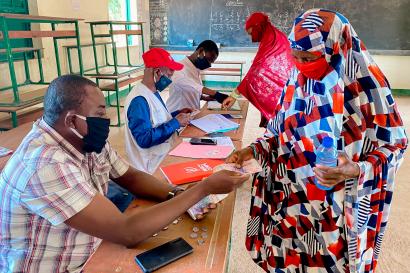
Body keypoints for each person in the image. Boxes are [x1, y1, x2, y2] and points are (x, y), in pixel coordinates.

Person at [0, 75, 250, 273]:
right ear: (70, 120)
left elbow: (130, 177)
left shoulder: (84, 137)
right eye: (99, 113)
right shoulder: (44, 163)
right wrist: (203, 189)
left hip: (88, 248)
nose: (106, 119)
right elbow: (125, 231)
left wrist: (177, 194)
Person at [227, 9, 407, 273]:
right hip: (293, 199)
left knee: (331, 261)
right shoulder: (296, 82)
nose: (301, 65)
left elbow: (395, 145)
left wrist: (357, 169)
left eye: (309, 58)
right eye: (296, 57)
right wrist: (253, 150)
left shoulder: (369, 88)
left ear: (336, 48)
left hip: (338, 205)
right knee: (292, 256)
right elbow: (278, 133)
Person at [125, 48, 192, 174]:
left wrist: (176, 115)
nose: (172, 76)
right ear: (157, 72)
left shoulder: (152, 92)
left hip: (161, 157)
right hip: (149, 168)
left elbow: (156, 119)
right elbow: (144, 139)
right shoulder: (139, 100)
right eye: (170, 72)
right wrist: (175, 123)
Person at [222, 12, 293, 127]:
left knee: (278, 124)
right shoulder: (274, 35)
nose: (252, 38)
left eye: (252, 33)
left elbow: (256, 70)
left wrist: (234, 95)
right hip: (286, 86)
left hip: (282, 89)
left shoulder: (270, 39)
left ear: (258, 27)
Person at [166, 40, 229, 113]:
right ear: (201, 51)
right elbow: (193, 86)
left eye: (211, 62)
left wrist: (204, 97)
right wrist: (216, 94)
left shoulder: (195, 69)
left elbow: (190, 91)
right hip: (176, 117)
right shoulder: (179, 69)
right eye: (209, 60)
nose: (209, 64)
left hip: (190, 115)